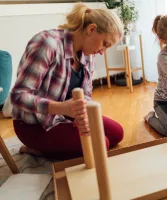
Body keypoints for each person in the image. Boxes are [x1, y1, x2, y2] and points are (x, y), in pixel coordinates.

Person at [10, 3, 124, 160]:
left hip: (64, 116)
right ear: (91, 29)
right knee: (100, 144)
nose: (102, 52)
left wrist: (82, 115)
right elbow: (18, 96)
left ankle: (58, 145)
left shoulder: (88, 54)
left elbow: (86, 95)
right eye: (105, 44)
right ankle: (38, 149)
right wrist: (61, 108)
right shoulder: (47, 43)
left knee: (117, 133)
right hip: (34, 124)